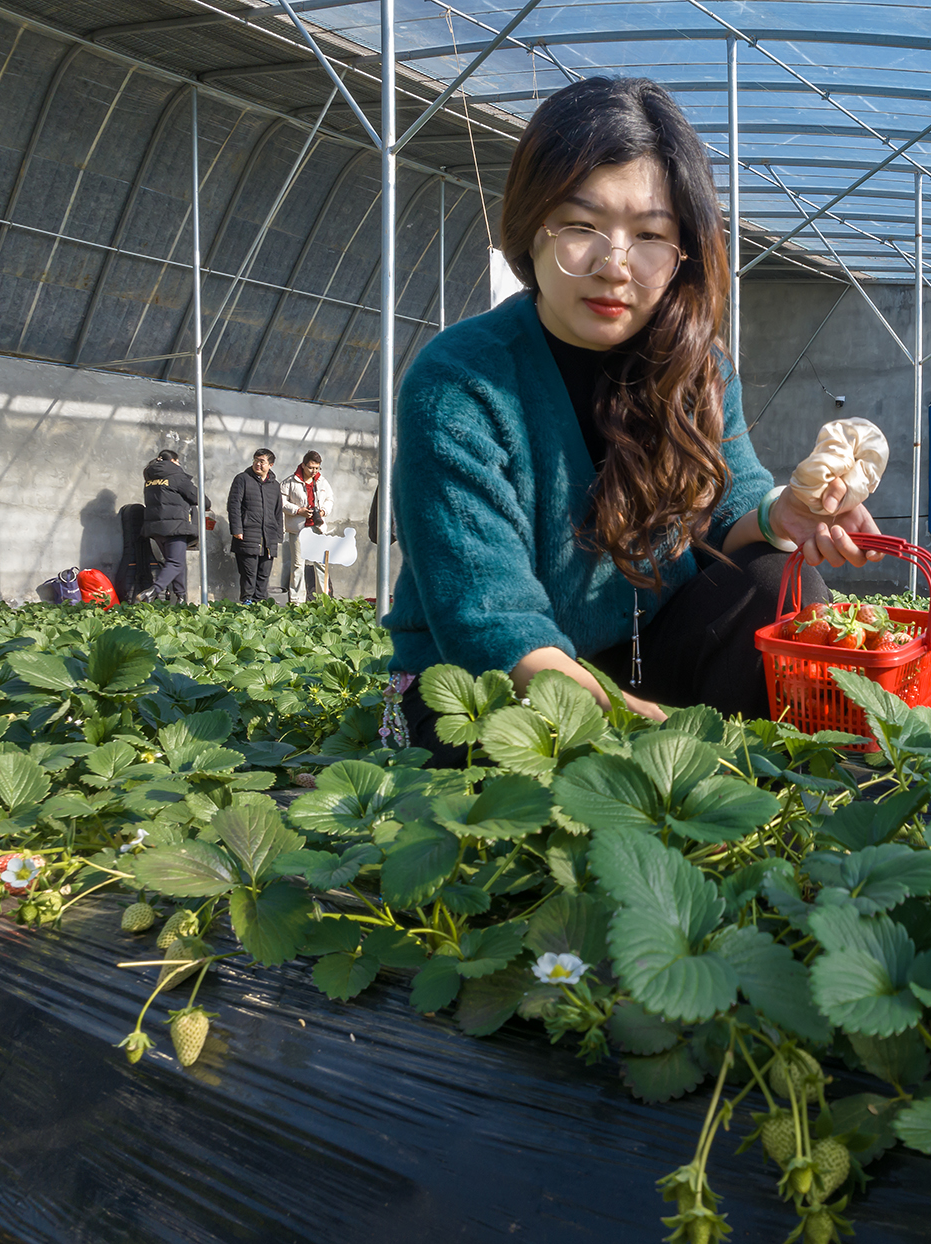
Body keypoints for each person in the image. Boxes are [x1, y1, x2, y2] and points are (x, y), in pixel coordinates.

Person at [384, 76, 882, 765]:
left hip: (639, 660)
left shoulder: (697, 365)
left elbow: (732, 501)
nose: (616, 267)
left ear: (681, 254)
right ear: (533, 225)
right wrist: (645, 729)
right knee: (529, 789)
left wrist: (781, 515)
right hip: (486, 687)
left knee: (777, 581)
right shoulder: (459, 382)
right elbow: (487, 619)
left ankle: (818, 777)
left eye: (650, 235)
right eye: (583, 226)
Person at [136, 450, 205, 603]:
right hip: (175, 527)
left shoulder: (150, 478)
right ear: (173, 460)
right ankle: (154, 591)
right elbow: (200, 498)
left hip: (156, 529)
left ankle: (180, 597)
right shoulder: (176, 476)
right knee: (176, 562)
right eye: (178, 461)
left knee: (174, 562)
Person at [228, 448, 284, 605]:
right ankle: (247, 602)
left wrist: (278, 534)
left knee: (264, 574)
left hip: (269, 537)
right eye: (256, 460)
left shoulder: (274, 485)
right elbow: (234, 506)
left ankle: (260, 604)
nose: (258, 464)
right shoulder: (242, 479)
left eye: (262, 461)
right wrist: (237, 529)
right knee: (248, 573)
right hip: (247, 534)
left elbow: (278, 512)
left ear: (271, 465)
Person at [282, 450, 334, 603]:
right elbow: (281, 502)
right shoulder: (290, 482)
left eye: (317, 468)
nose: (314, 471)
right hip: (298, 529)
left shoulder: (322, 482)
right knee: (298, 564)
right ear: (303, 465)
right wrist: (298, 511)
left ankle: (323, 601)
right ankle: (297, 601)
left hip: (317, 528)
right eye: (311, 467)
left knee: (321, 564)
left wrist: (324, 511)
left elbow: (330, 499)